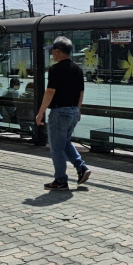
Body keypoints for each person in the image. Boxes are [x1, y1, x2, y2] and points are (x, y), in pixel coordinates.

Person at [36, 36, 91, 190]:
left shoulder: (55, 69)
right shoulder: (77, 69)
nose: (51, 54)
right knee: (64, 142)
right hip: (73, 111)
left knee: (56, 148)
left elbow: (49, 92)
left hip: (59, 112)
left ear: (58, 51)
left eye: (53, 51)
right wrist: (78, 109)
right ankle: (81, 167)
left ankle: (60, 181)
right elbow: (81, 93)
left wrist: (40, 112)